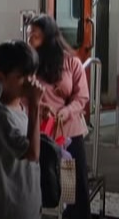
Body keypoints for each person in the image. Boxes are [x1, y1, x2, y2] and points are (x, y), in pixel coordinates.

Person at [28, 15, 91, 219]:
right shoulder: (29, 65)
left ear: (49, 38)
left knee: (74, 189)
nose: (31, 41)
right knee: (41, 186)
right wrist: (38, 106)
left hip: (69, 134)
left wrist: (67, 111)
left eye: (35, 37)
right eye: (30, 36)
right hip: (39, 135)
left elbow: (81, 97)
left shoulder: (72, 63)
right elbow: (21, 96)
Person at [0, 40, 44, 219]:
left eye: (32, 75)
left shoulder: (21, 109)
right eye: (23, 76)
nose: (30, 82)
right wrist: (35, 107)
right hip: (7, 207)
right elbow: (32, 154)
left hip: (28, 203)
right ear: (0, 76)